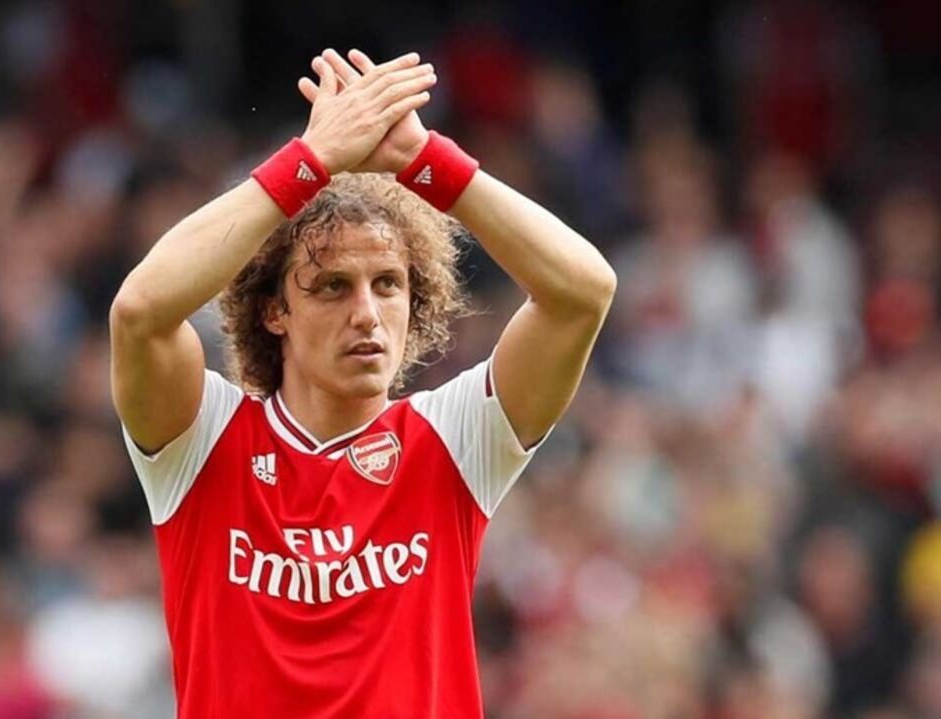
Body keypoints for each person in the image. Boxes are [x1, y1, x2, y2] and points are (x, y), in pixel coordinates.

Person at [110, 47, 616, 718]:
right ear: (274, 311)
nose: (367, 314)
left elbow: (583, 292)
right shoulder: (199, 441)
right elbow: (141, 311)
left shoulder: (456, 439)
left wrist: (425, 160)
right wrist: (309, 161)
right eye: (332, 287)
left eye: (388, 284)